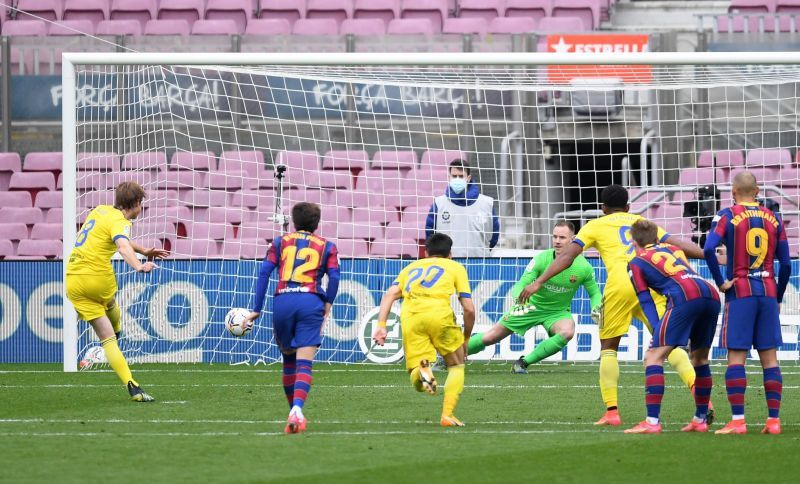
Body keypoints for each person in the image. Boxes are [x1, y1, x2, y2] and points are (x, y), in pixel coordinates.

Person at [518, 184, 706, 426]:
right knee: (667, 342)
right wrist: (711, 255)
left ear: (602, 208)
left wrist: (538, 281)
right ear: (628, 207)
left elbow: (566, 256)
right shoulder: (641, 221)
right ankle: (702, 399)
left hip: (620, 285)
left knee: (609, 347)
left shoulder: (595, 225)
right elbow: (677, 244)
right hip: (650, 282)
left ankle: (612, 412)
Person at [703, 171, 791, 435]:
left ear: (732, 192)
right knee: (770, 359)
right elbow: (786, 263)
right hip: (767, 292)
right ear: (757, 191)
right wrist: (778, 296)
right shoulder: (774, 218)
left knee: (736, 359)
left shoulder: (727, 215)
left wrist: (721, 281)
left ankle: (738, 421)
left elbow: (708, 249)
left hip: (740, 292)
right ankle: (773, 421)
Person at [65, 181, 167, 402]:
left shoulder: (99, 210)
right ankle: (121, 344)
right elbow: (122, 245)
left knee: (106, 336)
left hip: (73, 280)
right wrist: (139, 265)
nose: (142, 209)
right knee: (109, 303)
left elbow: (114, 238)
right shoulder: (122, 222)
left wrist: (144, 250)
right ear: (136, 203)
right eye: (142, 204)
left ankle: (133, 385)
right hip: (97, 277)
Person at [244, 202, 340, 435]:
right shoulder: (327, 246)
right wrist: (327, 301)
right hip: (310, 302)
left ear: (294, 222)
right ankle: (297, 409)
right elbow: (335, 276)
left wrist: (256, 308)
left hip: (283, 302)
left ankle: (293, 413)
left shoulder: (279, 243)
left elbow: (264, 272)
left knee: (288, 361)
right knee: (304, 362)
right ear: (317, 224)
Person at [623, 220, 721, 434]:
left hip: (685, 297)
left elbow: (645, 299)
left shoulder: (636, 262)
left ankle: (651, 422)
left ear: (633, 242)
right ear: (657, 239)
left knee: (653, 357)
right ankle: (700, 419)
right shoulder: (674, 249)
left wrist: (658, 328)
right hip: (710, 294)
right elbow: (686, 273)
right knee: (700, 359)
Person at [466, 221, 602, 373]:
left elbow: (595, 293)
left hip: (557, 312)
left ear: (573, 239)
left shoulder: (584, 267)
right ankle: (450, 357)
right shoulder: (541, 259)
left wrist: (596, 307)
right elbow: (521, 283)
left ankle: (523, 363)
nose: (557, 241)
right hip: (530, 306)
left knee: (567, 331)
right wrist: (519, 298)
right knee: (490, 337)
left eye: (562, 237)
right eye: (555, 236)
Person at [372, 233, 476, 427]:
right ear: (450, 254)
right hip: (439, 316)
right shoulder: (455, 267)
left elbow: (389, 295)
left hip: (411, 318)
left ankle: (422, 372)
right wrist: (466, 337)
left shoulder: (410, 268)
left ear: (426, 253)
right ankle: (447, 415)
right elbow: (469, 308)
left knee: (418, 370)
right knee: (456, 365)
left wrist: (381, 326)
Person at [425, 159, 500, 257]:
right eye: (454, 176)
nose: (457, 179)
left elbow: (493, 236)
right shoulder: (438, 204)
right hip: (448, 265)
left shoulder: (487, 204)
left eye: (461, 176)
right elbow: (430, 235)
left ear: (468, 178)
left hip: (479, 262)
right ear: (449, 177)